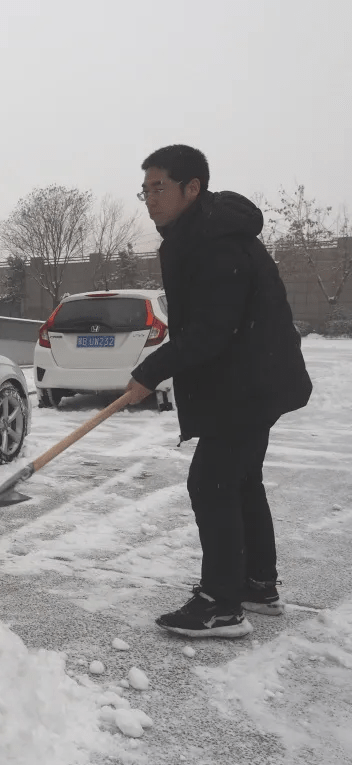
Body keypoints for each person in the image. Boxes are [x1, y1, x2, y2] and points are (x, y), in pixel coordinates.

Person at [124, 145, 312, 638]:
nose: (149, 199)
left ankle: (222, 604)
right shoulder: (202, 232)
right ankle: (256, 583)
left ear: (193, 187)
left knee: (212, 481)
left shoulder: (214, 239)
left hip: (250, 380)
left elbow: (213, 328)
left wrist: (150, 371)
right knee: (240, 479)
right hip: (253, 376)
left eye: (158, 188)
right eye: (144, 190)